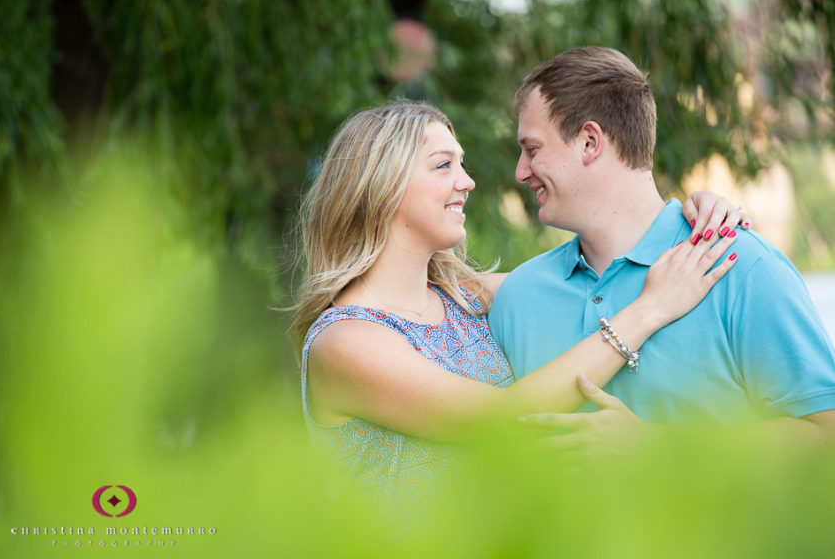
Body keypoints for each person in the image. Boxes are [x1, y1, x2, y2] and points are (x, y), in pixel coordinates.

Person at [290, 102, 745, 510]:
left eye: (462, 164)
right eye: (443, 165)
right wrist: (647, 312)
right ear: (381, 184)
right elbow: (505, 419)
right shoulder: (344, 340)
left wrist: (689, 219)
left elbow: (599, 282)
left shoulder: (464, 297)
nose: (467, 182)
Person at [488, 47, 835, 456]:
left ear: (588, 142)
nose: (520, 172)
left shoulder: (741, 266)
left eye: (532, 149)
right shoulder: (517, 298)